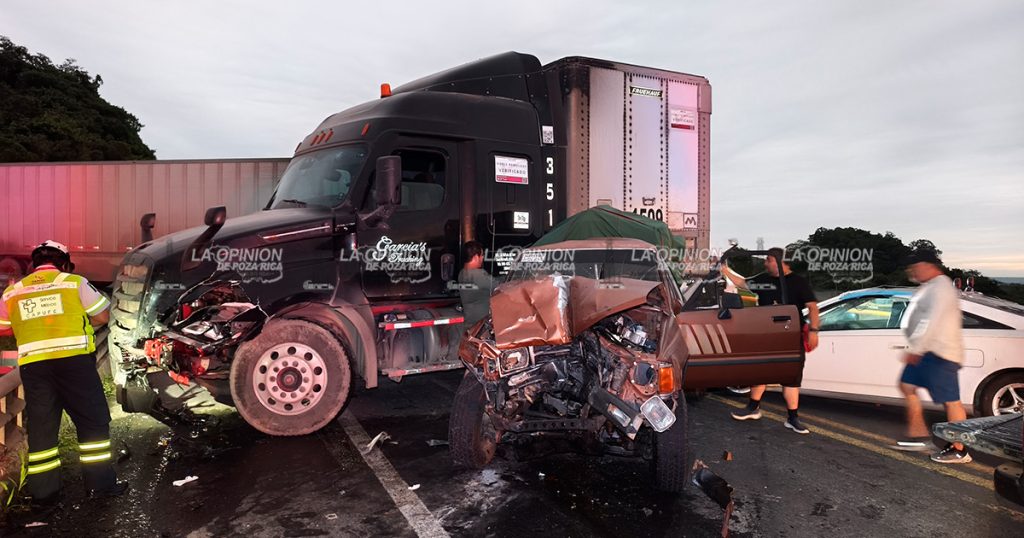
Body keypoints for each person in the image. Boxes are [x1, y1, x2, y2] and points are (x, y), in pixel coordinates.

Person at [0, 240, 127, 504]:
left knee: (43, 429)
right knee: (92, 422)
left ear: (34, 265)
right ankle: (99, 486)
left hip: (35, 368)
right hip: (74, 364)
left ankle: (44, 496)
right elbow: (103, 316)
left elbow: (3, 328)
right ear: (65, 262)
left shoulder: (13, 291)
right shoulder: (73, 282)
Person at [723, 247, 820, 434]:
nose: (765, 263)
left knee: (791, 377)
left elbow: (813, 308)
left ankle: (793, 418)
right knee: (761, 370)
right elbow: (743, 283)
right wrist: (725, 271)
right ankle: (753, 408)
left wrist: (814, 331)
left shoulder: (798, 282)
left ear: (780, 261)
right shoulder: (763, 280)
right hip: (766, 334)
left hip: (790, 335)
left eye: (768, 259)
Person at [890, 250, 970, 463]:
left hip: (940, 354)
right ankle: (918, 436)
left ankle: (959, 449)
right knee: (906, 385)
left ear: (927, 265)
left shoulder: (941, 287)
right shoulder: (930, 286)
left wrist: (915, 349)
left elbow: (930, 321)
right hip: (927, 352)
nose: (912, 272)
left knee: (951, 402)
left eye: (914, 268)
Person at [457, 241, 497, 327]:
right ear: (475, 257)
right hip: (482, 326)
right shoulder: (478, 275)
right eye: (482, 255)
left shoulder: (462, 273)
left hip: (470, 323)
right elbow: (500, 286)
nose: (482, 258)